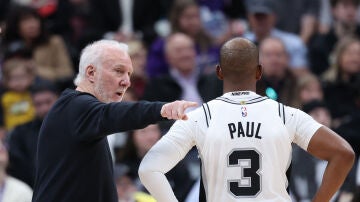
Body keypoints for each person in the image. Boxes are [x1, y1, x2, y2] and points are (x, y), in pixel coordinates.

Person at [138, 37, 355, 202]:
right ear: (259, 72)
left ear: (219, 72)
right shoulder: (286, 114)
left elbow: (148, 169)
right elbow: (344, 153)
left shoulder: (199, 117)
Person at [31, 39, 197, 202]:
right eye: (118, 71)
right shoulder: (76, 106)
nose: (127, 82)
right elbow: (117, 113)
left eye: (129, 74)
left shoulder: (80, 110)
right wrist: (162, 109)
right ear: (91, 73)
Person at [7, 80, 59, 188]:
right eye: (38, 104)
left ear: (58, 100)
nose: (44, 108)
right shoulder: (20, 133)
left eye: (48, 102)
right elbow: (18, 169)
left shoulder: (73, 127)